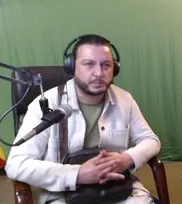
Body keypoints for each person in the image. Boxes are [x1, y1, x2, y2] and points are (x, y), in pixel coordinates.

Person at [4, 35, 162, 204]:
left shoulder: (125, 99)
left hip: (119, 191)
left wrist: (127, 159)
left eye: (106, 65)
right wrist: (78, 174)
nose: (99, 73)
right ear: (72, 67)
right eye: (89, 64)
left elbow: (150, 140)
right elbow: (16, 164)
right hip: (63, 195)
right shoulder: (47, 104)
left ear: (114, 69)